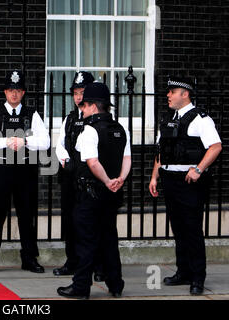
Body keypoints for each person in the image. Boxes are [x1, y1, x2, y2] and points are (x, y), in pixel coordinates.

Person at [57, 82, 131, 299]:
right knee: (109, 238)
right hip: (112, 193)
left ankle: (81, 287)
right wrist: (119, 179)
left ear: (93, 106)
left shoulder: (89, 130)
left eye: (85, 105)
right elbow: (127, 159)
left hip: (90, 193)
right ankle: (115, 284)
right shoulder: (120, 128)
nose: (82, 109)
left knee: (86, 241)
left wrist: (108, 180)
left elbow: (92, 162)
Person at [149, 76, 222, 295]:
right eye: (168, 91)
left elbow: (216, 146)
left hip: (189, 183)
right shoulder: (169, 119)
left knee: (192, 230)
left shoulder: (201, 119)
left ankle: (198, 277)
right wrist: (155, 177)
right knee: (179, 229)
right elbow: (161, 151)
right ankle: (183, 271)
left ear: (185, 94)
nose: (168, 95)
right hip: (170, 179)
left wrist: (198, 169)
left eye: (172, 91)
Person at [0, 70, 50, 274]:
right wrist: (7, 141)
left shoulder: (32, 114)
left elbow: (45, 142)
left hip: (24, 172)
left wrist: (25, 141)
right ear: (5, 91)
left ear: (23, 92)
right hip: (0, 170)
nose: (14, 94)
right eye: (11, 90)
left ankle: (29, 259)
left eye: (18, 90)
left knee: (27, 217)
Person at [54, 71, 105, 281]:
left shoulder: (100, 120)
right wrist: (66, 160)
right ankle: (72, 261)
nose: (78, 97)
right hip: (70, 176)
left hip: (91, 176)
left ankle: (99, 265)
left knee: (95, 222)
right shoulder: (70, 118)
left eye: (82, 92)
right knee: (70, 220)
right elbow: (60, 144)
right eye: (75, 93)